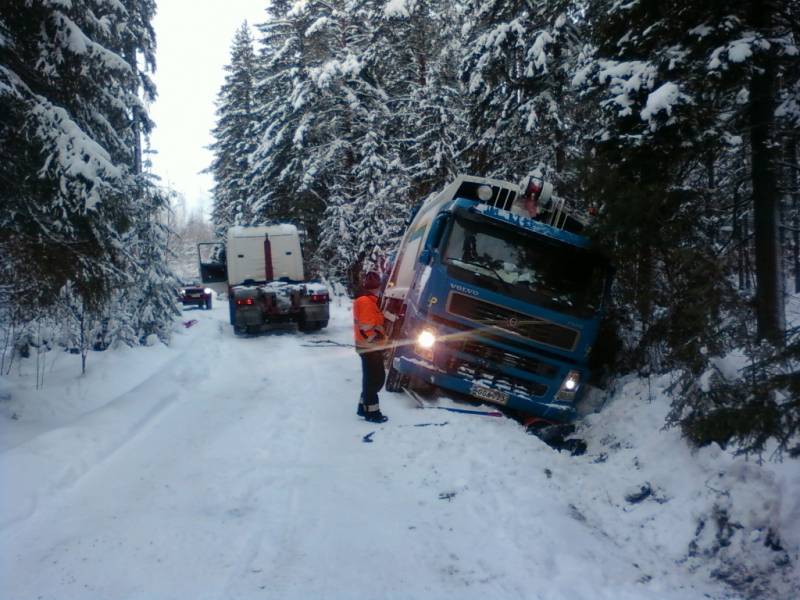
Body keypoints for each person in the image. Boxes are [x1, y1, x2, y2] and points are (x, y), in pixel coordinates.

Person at [353, 271, 388, 423]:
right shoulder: (366, 302)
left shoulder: (368, 300)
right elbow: (365, 327)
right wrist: (375, 339)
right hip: (369, 347)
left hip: (367, 346)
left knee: (370, 379)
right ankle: (372, 413)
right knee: (375, 380)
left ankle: (363, 408)